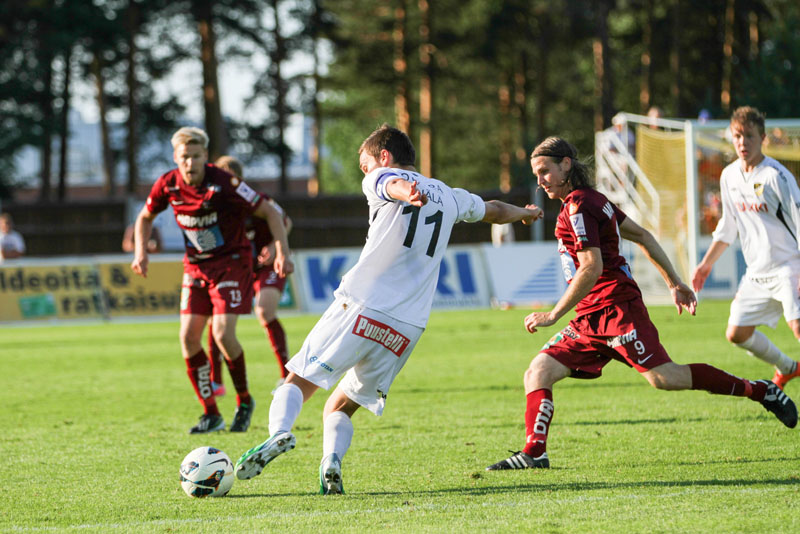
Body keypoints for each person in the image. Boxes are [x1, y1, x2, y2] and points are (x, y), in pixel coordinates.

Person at [234, 124, 543, 494]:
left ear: (383, 156)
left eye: (365, 164)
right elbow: (492, 209)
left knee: (298, 378)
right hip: (407, 326)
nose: (365, 172)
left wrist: (405, 192)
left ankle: (279, 433)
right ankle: (330, 461)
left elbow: (388, 185)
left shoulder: (382, 176)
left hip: (363, 304)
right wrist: (524, 213)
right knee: (341, 405)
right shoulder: (449, 194)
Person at [486, 136, 797, 472]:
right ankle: (534, 452)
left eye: (545, 171)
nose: (540, 180)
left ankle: (760, 390)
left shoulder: (578, 205)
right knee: (538, 371)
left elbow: (593, 266)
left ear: (566, 165)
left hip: (618, 311)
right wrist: (674, 282)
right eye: (536, 174)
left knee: (666, 378)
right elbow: (643, 236)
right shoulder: (592, 200)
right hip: (590, 317)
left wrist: (553, 314)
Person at [130, 127, 294, 434]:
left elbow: (271, 212)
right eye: (184, 157)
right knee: (188, 337)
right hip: (196, 268)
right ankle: (211, 413)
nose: (189, 163)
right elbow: (144, 217)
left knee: (221, 333)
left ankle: (244, 401)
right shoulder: (167, 184)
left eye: (195, 156)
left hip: (231, 264)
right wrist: (141, 252)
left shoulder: (225, 182)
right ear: (175, 158)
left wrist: (281, 251)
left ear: (206, 157)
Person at [692, 106, 800, 390]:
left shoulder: (777, 176)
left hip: (789, 266)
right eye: (738, 136)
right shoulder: (729, 176)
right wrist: (705, 265)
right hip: (757, 272)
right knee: (737, 333)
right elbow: (728, 226)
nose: (743, 142)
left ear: (762, 138)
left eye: (749, 136)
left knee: (798, 326)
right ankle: (788, 367)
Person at [207, 155, 294, 398]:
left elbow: (285, 221)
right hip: (238, 267)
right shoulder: (217, 206)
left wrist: (276, 248)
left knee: (265, 310)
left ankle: (285, 375)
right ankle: (216, 382)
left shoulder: (255, 200)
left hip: (266, 265)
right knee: (216, 321)